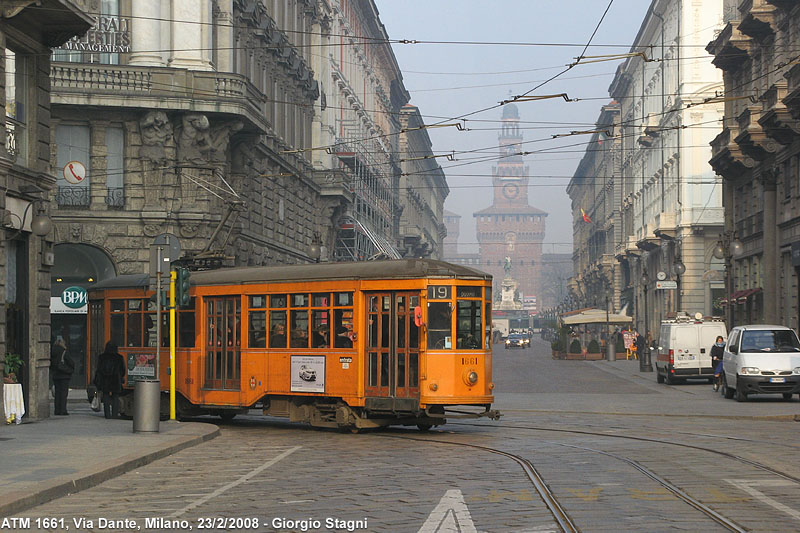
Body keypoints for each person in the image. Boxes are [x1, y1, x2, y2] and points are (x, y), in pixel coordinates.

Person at [93, 341, 126, 419]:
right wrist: (120, 375)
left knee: (106, 396)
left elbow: (99, 369)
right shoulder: (119, 357)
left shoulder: (101, 357)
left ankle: (107, 414)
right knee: (115, 397)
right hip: (115, 379)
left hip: (105, 380)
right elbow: (123, 370)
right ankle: (114, 414)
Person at [50, 337, 74, 416]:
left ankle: (57, 410)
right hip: (64, 375)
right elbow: (71, 362)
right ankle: (63, 410)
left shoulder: (52, 352)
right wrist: (70, 369)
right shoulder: (64, 351)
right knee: (63, 393)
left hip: (56, 375)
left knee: (57, 393)